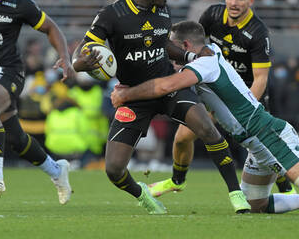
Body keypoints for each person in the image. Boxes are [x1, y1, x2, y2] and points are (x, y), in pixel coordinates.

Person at [72, 0, 250, 214]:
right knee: (113, 169)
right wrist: (80, 64)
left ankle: (236, 193)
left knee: (207, 129)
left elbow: (163, 43)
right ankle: (142, 194)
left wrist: (189, 55)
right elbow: (84, 49)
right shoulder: (112, 14)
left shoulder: (163, 8)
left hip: (169, 86)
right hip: (134, 95)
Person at [111, 20, 299, 213]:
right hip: (255, 146)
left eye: (172, 49)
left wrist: (125, 94)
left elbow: (165, 86)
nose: (169, 56)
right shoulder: (210, 52)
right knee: (256, 205)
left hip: (268, 134)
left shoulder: (204, 64)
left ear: (185, 46)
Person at [146, 0, 295, 197]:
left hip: (244, 97)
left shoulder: (257, 32)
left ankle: (286, 189)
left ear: (250, 1)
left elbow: (261, 78)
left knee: (263, 152)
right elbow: (194, 42)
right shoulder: (213, 15)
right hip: (212, 89)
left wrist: (240, 111)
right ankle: (177, 181)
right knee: (182, 137)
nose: (234, 3)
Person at [0, 0, 74, 204]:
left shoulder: (19, 5)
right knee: (16, 138)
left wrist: (65, 57)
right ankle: (57, 171)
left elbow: (51, 28)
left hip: (8, 69)